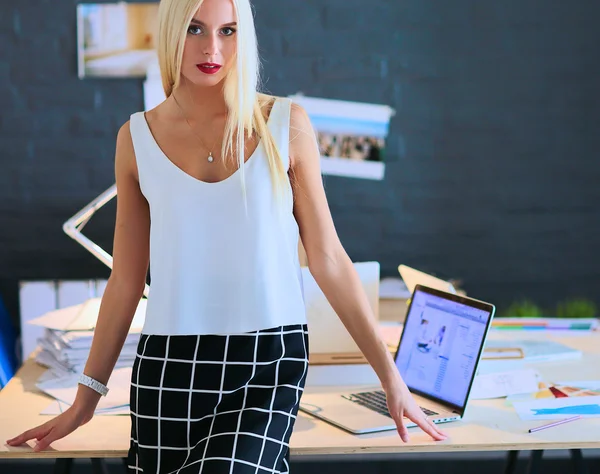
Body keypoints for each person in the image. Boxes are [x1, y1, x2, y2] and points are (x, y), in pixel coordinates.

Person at [6, 0, 447, 471]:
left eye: (228, 31)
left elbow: (328, 258)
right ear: (172, 33)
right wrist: (86, 399)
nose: (211, 47)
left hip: (268, 362)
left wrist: (391, 378)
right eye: (195, 29)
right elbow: (126, 282)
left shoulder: (286, 124)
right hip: (170, 365)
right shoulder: (135, 138)